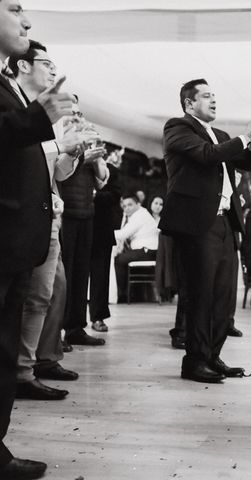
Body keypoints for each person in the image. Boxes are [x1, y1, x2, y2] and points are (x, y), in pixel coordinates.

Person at [0, 1, 76, 477]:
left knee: (4, 350)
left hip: (17, 241)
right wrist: (38, 118)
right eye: (14, 10)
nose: (27, 22)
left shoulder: (8, 85)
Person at [159, 78, 251, 383]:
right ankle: (194, 362)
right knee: (199, 295)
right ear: (189, 103)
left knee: (223, 296)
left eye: (214, 95)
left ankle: (213, 356)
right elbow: (207, 156)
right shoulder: (177, 127)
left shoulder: (219, 135)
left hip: (224, 222)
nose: (214, 100)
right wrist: (244, 136)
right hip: (195, 224)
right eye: (207, 96)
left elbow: (245, 161)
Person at [12, 40, 92, 400]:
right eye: (47, 64)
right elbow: (17, 151)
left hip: (50, 213)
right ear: (23, 66)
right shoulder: (17, 107)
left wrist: (74, 153)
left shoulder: (50, 119)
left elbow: (57, 172)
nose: (54, 72)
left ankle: (25, 371)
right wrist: (62, 145)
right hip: (18, 216)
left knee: (41, 297)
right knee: (19, 296)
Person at [58, 99, 110, 347]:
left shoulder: (89, 136)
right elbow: (57, 174)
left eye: (79, 112)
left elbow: (102, 181)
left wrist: (98, 159)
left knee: (81, 274)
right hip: (63, 214)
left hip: (86, 213)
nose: (77, 116)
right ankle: (54, 335)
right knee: (62, 277)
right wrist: (79, 156)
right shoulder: (57, 138)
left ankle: (75, 327)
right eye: (72, 112)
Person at [89, 151, 122, 332]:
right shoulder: (77, 168)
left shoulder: (112, 170)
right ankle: (70, 322)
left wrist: (92, 194)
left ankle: (98, 317)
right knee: (74, 277)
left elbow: (114, 196)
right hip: (78, 226)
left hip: (101, 229)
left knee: (100, 277)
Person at [113, 193, 158, 301]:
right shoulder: (137, 214)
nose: (127, 208)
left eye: (130, 205)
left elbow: (123, 234)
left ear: (138, 204)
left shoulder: (140, 215)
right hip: (146, 250)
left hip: (148, 250)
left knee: (119, 260)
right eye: (124, 206)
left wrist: (105, 234)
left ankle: (123, 295)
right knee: (121, 257)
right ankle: (130, 294)